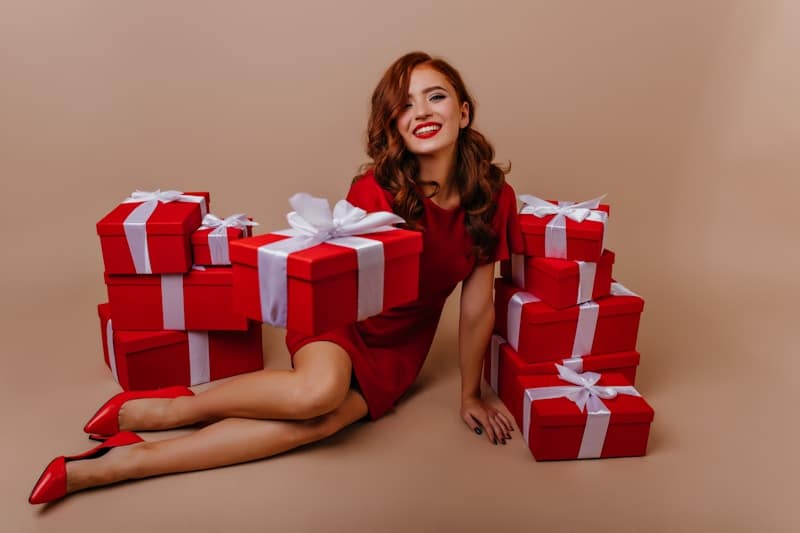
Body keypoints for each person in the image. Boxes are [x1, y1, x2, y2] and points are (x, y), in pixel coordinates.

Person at [29, 51, 523, 505]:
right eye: (405, 104)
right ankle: (173, 411)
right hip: (340, 323)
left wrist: (470, 394)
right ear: (395, 125)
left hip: (399, 351)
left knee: (317, 425)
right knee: (317, 394)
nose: (422, 111)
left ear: (462, 110)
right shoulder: (376, 189)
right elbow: (342, 286)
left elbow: (478, 305)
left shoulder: (495, 198)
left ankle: (124, 462)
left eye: (435, 96)